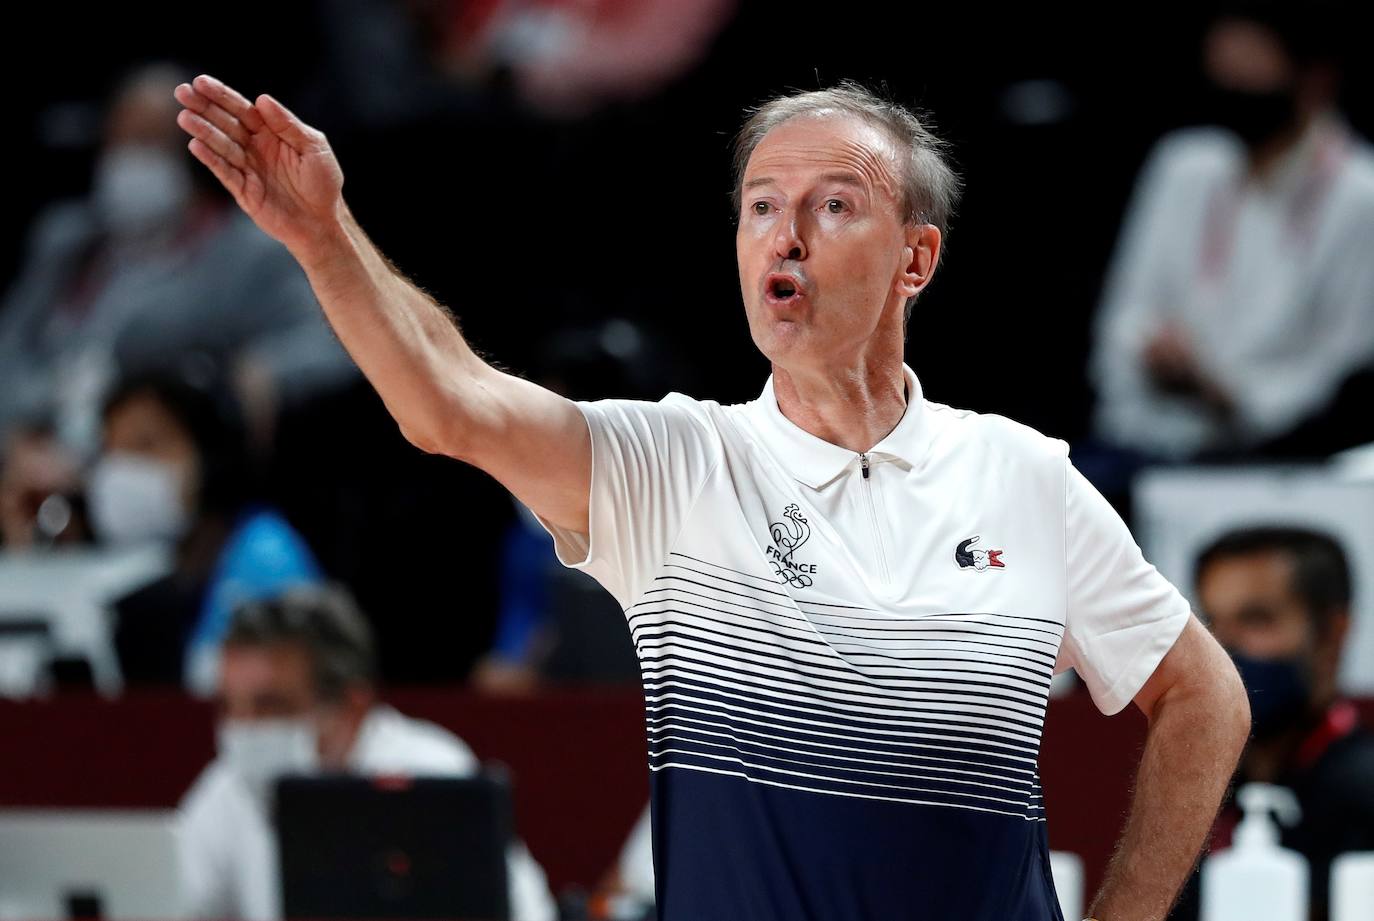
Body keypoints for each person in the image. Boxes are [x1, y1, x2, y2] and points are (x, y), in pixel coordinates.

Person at [174, 74, 1250, 920]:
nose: (786, 236)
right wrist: (325, 237)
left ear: (917, 258)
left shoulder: (1024, 477)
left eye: (835, 205)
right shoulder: (680, 465)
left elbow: (1206, 697)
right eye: (761, 207)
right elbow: (450, 406)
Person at [0, 62, 356, 465]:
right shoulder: (69, 240)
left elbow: (335, 344)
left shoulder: (249, 250)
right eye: (119, 143)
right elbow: (9, 348)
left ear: (195, 155)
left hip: (145, 460)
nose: (128, 163)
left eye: (150, 143)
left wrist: (258, 375)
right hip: (31, 449)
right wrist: (15, 435)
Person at [1088, 3, 1374, 489]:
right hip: (1141, 446)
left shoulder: (1357, 195)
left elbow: (1341, 368)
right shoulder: (1186, 166)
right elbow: (1123, 323)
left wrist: (1226, 395)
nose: (1233, 93)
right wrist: (1153, 353)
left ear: (1314, 79)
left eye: (1251, 80)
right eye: (1223, 78)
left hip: (1275, 464)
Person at [177, 583, 557, 921]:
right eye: (229, 707)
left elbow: (525, 912)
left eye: (271, 706)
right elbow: (176, 903)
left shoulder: (432, 777)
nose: (243, 730)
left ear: (351, 705)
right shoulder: (227, 788)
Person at [1170, 525, 1374, 921]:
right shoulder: (1199, 789)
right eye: (1210, 621)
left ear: (1333, 631)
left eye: (1256, 619)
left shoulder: (1363, 792)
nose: (1221, 646)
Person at [93, 363, 322, 690]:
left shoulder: (265, 553)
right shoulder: (157, 566)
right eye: (111, 450)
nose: (122, 471)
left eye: (145, 445)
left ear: (210, 454)